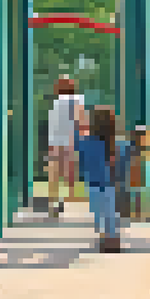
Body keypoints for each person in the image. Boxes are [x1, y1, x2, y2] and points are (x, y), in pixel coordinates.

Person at [76, 106, 124, 253]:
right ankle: (113, 242)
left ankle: (104, 241)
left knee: (100, 216)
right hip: (110, 184)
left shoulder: (85, 142)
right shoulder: (115, 144)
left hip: (93, 183)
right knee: (111, 215)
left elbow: (81, 163)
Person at [45, 76, 86, 217]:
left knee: (57, 174)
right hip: (65, 142)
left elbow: (55, 125)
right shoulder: (71, 100)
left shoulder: (63, 101)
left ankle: (56, 203)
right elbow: (81, 120)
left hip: (62, 142)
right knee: (65, 174)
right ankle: (58, 203)